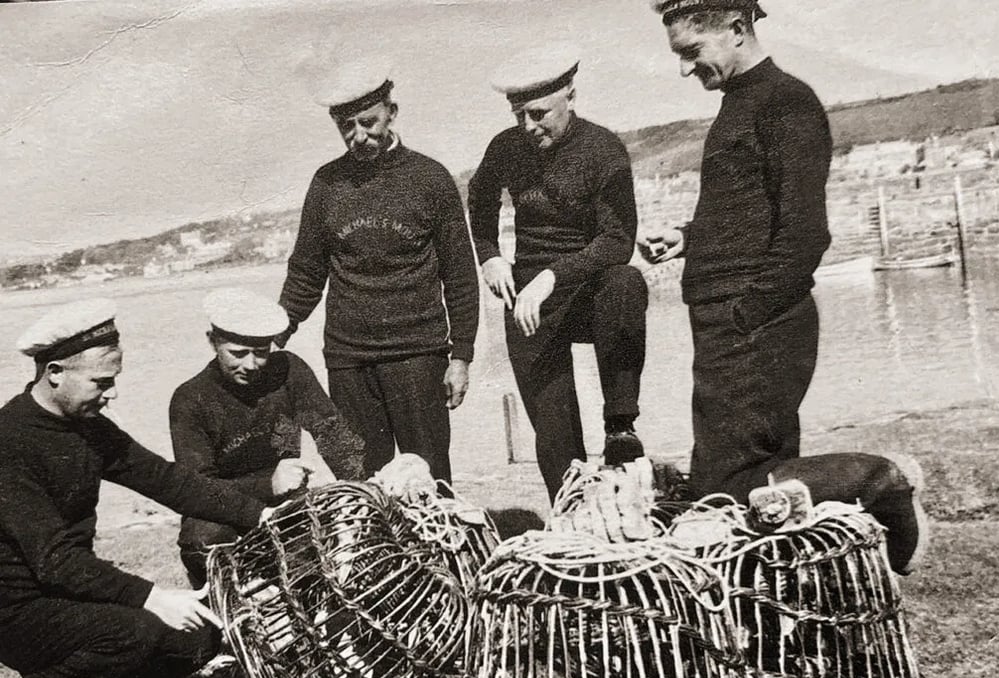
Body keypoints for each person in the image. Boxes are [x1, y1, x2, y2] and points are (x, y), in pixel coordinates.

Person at [0, 299, 274, 678]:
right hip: (17, 609)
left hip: (65, 595)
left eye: (115, 382)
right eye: (101, 383)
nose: (112, 395)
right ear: (55, 372)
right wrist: (151, 595)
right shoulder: (9, 442)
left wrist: (261, 517)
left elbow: (170, 482)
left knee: (198, 634)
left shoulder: (89, 427)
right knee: (137, 630)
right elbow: (55, 560)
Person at [641, 0, 833, 503]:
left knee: (736, 487)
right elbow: (745, 214)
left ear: (736, 28)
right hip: (727, 326)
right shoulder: (739, 102)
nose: (684, 68)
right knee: (726, 485)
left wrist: (747, 316)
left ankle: (881, 481)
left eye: (691, 51)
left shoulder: (787, 102)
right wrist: (688, 237)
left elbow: (806, 233)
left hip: (753, 329)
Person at [277, 58, 479, 488]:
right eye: (346, 126)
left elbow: (461, 276)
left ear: (391, 111)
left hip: (418, 357)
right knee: (362, 483)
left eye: (367, 121)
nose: (358, 135)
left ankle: (437, 557)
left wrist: (460, 355)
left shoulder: (430, 178)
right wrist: (274, 334)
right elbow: (306, 274)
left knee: (428, 481)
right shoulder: (326, 184)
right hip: (349, 360)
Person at [468, 44, 648, 501]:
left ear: (570, 94)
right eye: (518, 116)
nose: (528, 127)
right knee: (555, 436)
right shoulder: (507, 148)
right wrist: (489, 254)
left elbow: (617, 242)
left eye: (538, 113)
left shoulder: (603, 149)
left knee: (627, 284)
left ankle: (620, 424)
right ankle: (571, 508)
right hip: (531, 298)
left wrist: (552, 275)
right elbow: (480, 198)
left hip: (589, 286)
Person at [170, 288, 366, 588]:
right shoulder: (191, 399)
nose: (251, 365)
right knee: (203, 537)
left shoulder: (287, 370)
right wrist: (266, 486)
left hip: (288, 501)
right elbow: (197, 489)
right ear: (213, 342)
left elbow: (333, 433)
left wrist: (360, 491)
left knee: (317, 568)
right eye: (237, 353)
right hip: (222, 512)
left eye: (261, 352)